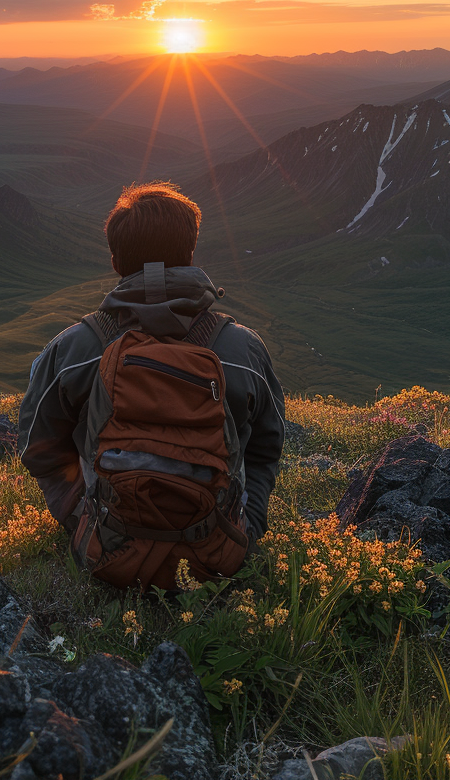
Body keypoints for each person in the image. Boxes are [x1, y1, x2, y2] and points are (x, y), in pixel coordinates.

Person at [17, 181, 285, 589]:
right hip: (220, 555)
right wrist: (251, 524)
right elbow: (268, 444)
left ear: (115, 260)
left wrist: (79, 516)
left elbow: (37, 447)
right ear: (189, 254)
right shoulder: (241, 349)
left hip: (105, 549)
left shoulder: (76, 347)